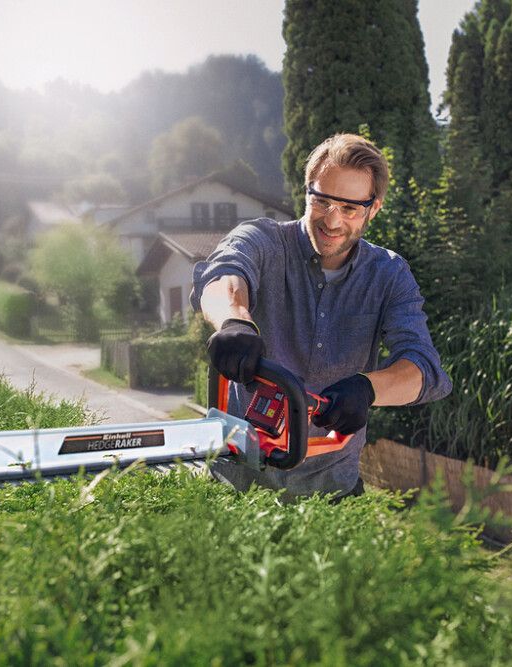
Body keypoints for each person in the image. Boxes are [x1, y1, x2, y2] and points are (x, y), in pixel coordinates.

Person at [190, 133, 452, 501]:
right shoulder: (262, 239)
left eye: (349, 208)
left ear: (372, 209)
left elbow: (425, 370)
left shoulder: (389, 274)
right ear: (307, 193)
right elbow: (223, 276)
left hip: (332, 491)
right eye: (323, 201)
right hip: (238, 487)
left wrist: (368, 388)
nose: (332, 220)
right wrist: (234, 320)